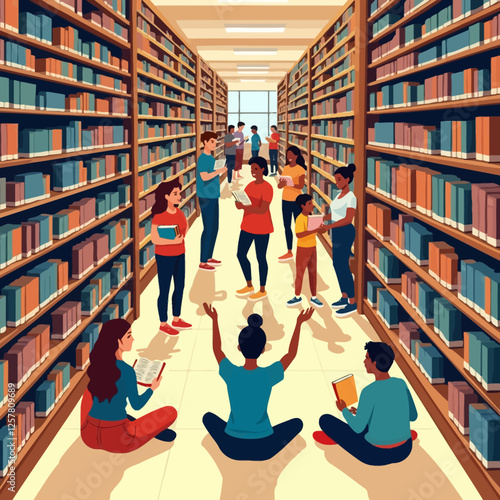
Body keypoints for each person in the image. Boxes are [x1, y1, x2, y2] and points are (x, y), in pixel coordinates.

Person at [202, 303, 314, 461]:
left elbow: (217, 350)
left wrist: (214, 319)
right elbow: (291, 354)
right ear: (263, 349)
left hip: (231, 447)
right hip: (263, 449)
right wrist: (299, 322)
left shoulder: (231, 373)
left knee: (208, 417)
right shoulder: (268, 375)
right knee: (296, 424)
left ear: (239, 348)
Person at [313, 342, 418, 466]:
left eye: (367, 358)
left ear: (375, 363)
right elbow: (413, 416)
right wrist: (362, 412)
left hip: (375, 454)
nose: (364, 361)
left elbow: (358, 428)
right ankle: (396, 435)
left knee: (325, 420)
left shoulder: (369, 391)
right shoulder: (401, 383)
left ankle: (338, 438)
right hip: (404, 450)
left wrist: (344, 410)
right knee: (379, 420)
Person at [81, 319, 178, 452]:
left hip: (88, 436)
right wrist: (151, 388)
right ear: (118, 341)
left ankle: (123, 419)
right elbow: (136, 405)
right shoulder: (127, 371)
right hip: (118, 439)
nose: (133, 339)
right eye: (129, 335)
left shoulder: (98, 365)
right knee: (170, 412)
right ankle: (136, 425)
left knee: (90, 390)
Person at [151, 179, 192, 336]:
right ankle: (163, 323)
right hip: (164, 256)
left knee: (180, 286)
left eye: (179, 193)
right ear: (166, 196)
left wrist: (180, 239)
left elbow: (185, 227)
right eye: (175, 194)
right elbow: (155, 239)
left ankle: (176, 317)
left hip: (180, 254)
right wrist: (172, 240)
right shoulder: (159, 216)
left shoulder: (180, 213)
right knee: (165, 289)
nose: (179, 196)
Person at [235, 157, 273, 302]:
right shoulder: (249, 185)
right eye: (251, 169)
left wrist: (244, 207)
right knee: (240, 254)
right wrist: (239, 204)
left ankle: (262, 289)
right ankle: (249, 284)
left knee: (261, 258)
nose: (253, 172)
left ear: (263, 169)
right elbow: (244, 202)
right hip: (247, 226)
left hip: (262, 228)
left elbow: (263, 209)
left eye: (256, 169)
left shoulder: (267, 187)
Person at [322, 163, 357, 317]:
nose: (336, 182)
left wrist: (329, 227)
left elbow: (348, 219)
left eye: (339, 179)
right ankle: (344, 296)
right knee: (336, 264)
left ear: (348, 179)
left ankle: (352, 302)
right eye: (335, 179)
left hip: (345, 232)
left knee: (343, 266)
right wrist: (322, 219)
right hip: (336, 231)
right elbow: (335, 213)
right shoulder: (339, 195)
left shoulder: (351, 197)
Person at [287, 194, 325, 308]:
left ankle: (314, 297)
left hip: (313, 247)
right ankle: (297, 296)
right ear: (302, 206)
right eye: (310, 203)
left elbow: (318, 232)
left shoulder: (312, 217)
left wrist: (321, 229)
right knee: (300, 273)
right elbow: (299, 234)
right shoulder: (300, 218)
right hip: (303, 249)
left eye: (312, 203)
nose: (312, 205)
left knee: (313, 272)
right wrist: (314, 229)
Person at [196, 131, 226, 272]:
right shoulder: (203, 158)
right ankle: (202, 261)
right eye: (212, 141)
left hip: (213, 195)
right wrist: (219, 171)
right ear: (205, 142)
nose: (215, 144)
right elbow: (205, 177)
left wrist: (219, 170)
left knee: (215, 227)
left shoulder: (212, 158)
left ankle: (209, 256)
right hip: (206, 196)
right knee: (208, 228)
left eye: (215, 141)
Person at [277, 146, 306, 262]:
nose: (288, 157)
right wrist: (282, 184)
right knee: (287, 226)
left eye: (290, 155)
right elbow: (280, 186)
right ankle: (289, 251)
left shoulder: (301, 169)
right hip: (285, 200)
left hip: (297, 201)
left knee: (299, 226)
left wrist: (290, 184)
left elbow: (301, 185)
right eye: (287, 155)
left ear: (296, 156)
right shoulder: (286, 168)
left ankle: (302, 250)